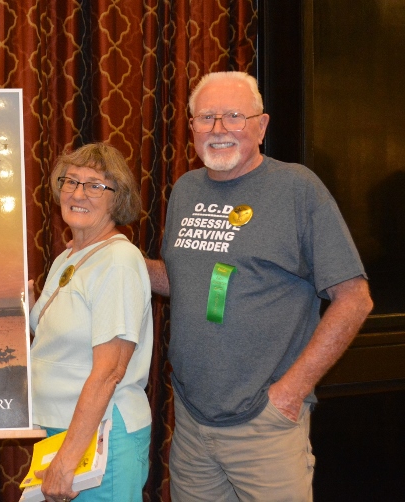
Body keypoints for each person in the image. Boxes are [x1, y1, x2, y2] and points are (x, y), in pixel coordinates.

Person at [145, 71, 373, 501]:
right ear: (190, 126)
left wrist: (290, 394)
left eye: (234, 116)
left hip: (265, 426)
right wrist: (118, 262)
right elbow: (184, 280)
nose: (219, 129)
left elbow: (355, 299)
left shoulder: (297, 189)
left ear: (261, 126)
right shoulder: (185, 190)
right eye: (206, 117)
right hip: (193, 423)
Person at [29, 143, 153, 502]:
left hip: (99, 439)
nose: (78, 193)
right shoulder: (70, 256)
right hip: (59, 432)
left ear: (118, 199)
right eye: (71, 181)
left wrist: (67, 459)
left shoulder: (118, 262)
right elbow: (63, 341)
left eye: (96, 185)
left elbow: (109, 371)